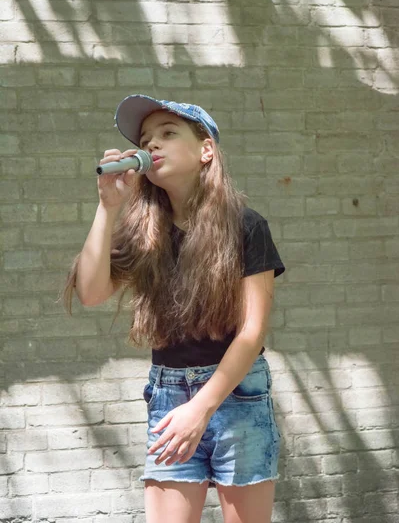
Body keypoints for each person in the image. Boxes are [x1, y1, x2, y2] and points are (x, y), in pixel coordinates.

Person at [63, 94, 285, 523]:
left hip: (237, 392)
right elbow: (91, 292)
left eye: (168, 134)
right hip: (168, 393)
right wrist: (108, 206)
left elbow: (253, 332)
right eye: (146, 140)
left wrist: (200, 409)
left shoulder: (246, 224)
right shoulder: (145, 231)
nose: (152, 146)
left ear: (206, 151)